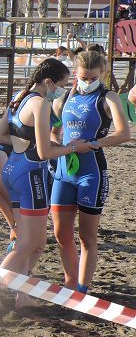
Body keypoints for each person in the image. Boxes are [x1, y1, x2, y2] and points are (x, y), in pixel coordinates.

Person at [0, 58, 82, 311]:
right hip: (31, 175)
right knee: (31, 243)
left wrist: (25, 146)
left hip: (12, 167)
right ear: (48, 82)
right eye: (61, 85)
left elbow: (0, 134)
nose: (62, 90)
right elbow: (45, 153)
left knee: (25, 238)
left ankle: (22, 295)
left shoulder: (19, 97)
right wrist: (72, 148)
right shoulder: (41, 103)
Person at [49, 49, 130, 292]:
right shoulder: (64, 97)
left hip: (91, 173)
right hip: (64, 172)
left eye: (92, 78)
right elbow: (54, 129)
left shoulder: (109, 98)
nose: (87, 82)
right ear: (75, 73)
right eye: (83, 77)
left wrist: (93, 144)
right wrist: (58, 146)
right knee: (61, 234)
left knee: (87, 237)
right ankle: (69, 282)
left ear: (103, 74)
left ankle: (82, 289)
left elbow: (124, 133)